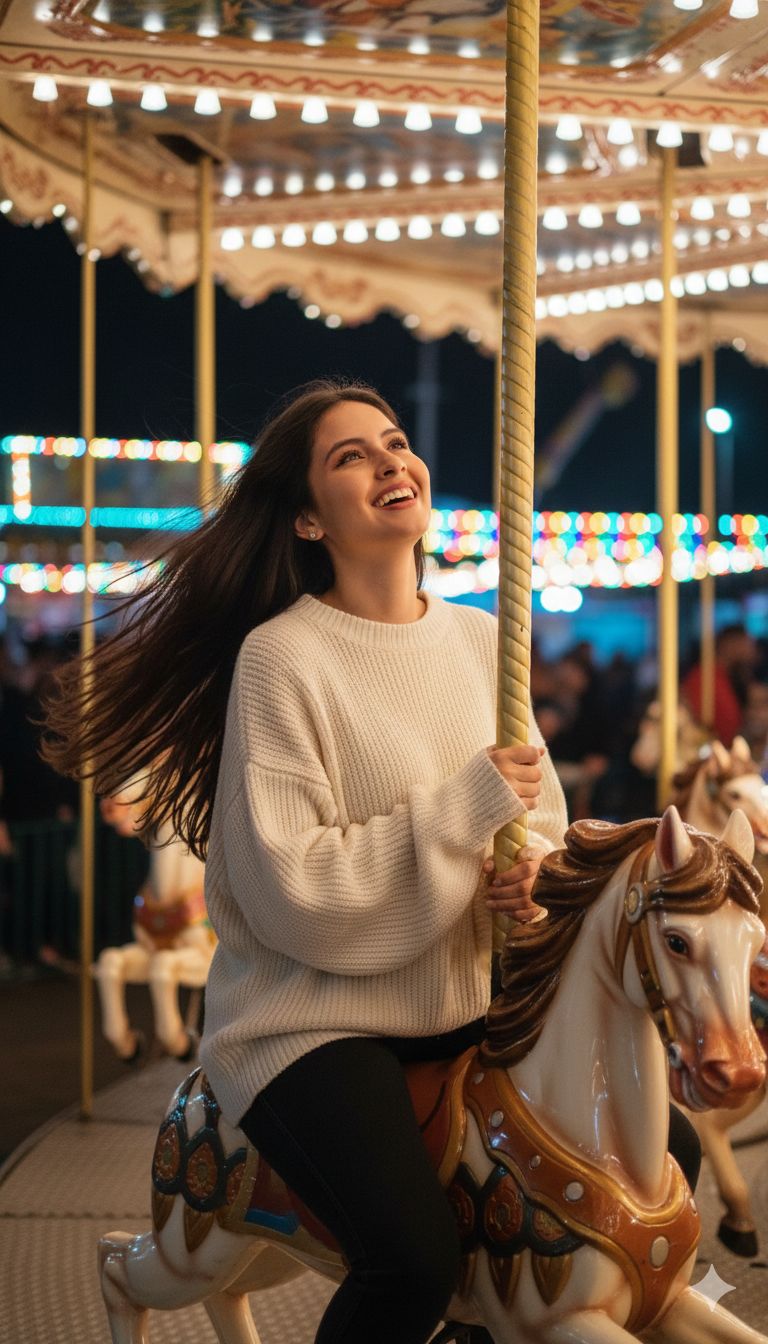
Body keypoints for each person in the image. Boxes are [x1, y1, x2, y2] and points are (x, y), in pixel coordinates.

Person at [41, 380, 695, 1344]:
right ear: (307, 517)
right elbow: (294, 889)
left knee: (660, 1159)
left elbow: (540, 820)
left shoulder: (484, 641)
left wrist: (534, 880)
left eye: (394, 442)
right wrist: (467, 811)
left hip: (466, 1003)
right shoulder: (284, 659)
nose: (392, 461)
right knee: (411, 1262)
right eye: (352, 456)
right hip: (315, 1020)